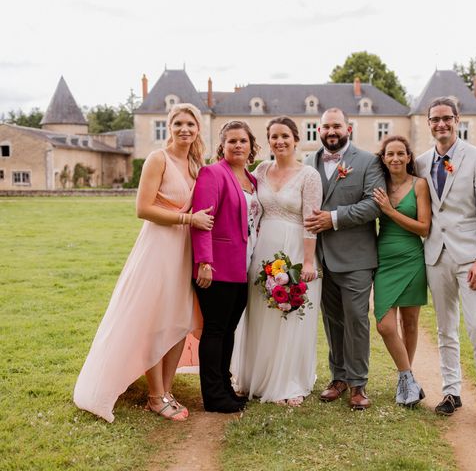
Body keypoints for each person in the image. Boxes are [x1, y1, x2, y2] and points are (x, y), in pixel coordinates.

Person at [74, 103, 214, 422]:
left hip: (184, 252)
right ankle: (155, 396)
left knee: (178, 319)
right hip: (158, 248)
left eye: (190, 124)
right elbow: (143, 208)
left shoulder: (196, 164)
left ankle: (167, 389)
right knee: (154, 319)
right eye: (177, 123)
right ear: (168, 127)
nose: (184, 129)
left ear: (197, 129)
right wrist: (187, 218)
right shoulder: (157, 159)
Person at [414, 96, 476, 432]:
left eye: (446, 118)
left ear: (457, 119)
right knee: (444, 328)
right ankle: (451, 392)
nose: (441, 124)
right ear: (428, 122)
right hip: (436, 256)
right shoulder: (421, 163)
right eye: (435, 119)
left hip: (471, 260)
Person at [232, 116, 322, 406]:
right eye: (274, 136)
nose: (279, 141)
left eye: (285, 135)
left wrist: (307, 263)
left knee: (291, 315)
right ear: (268, 141)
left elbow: (311, 221)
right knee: (261, 313)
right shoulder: (260, 170)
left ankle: (289, 381)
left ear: (296, 139)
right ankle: (255, 377)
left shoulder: (309, 176)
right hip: (261, 251)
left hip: (296, 251)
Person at [304, 107, 385, 410]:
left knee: (356, 321)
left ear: (348, 129)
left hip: (356, 259)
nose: (331, 131)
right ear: (319, 130)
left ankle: (358, 384)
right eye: (325, 127)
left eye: (337, 126)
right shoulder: (308, 162)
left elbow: (373, 205)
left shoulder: (367, 162)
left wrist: (333, 219)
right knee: (332, 321)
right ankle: (338, 378)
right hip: (320, 258)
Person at [191, 120, 262, 413]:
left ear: (251, 146)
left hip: (242, 265)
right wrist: (204, 261)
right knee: (216, 329)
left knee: (229, 329)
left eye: (242, 141)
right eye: (231, 141)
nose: (237, 145)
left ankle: (225, 386)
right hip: (217, 266)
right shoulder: (212, 173)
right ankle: (213, 395)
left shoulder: (251, 179)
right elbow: (202, 220)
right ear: (222, 145)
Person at [372, 135, 430, 407]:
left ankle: (405, 380)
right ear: (383, 159)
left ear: (408, 157)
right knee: (384, 325)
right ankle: (408, 377)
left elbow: (424, 228)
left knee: (410, 323)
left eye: (400, 153)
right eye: (389, 154)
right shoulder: (378, 185)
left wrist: (389, 211)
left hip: (411, 258)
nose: (395, 158)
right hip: (385, 260)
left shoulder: (419, 185)